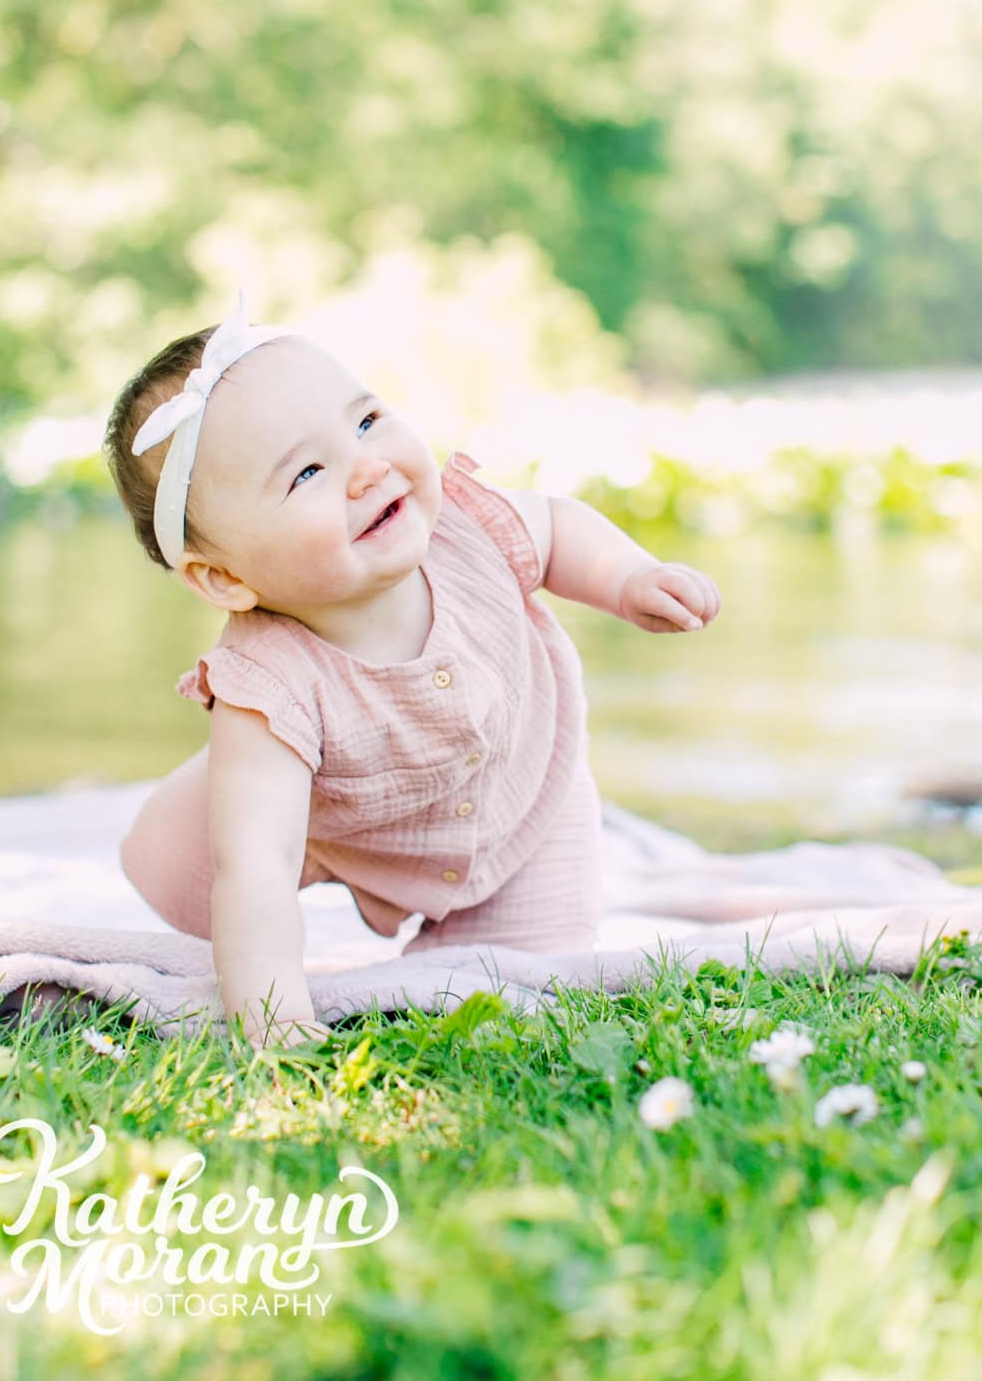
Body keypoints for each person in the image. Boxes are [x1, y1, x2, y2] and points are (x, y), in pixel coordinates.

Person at [104, 288, 721, 1049]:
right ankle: (231, 788)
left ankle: (439, 932)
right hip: (342, 819)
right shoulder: (269, 683)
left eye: (365, 422)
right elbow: (257, 870)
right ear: (225, 579)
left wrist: (628, 578)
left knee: (519, 979)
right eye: (306, 475)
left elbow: (557, 528)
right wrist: (275, 1019)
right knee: (207, 871)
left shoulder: (467, 531)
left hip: (522, 797)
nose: (365, 469)